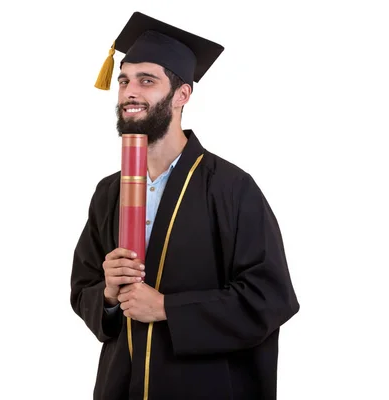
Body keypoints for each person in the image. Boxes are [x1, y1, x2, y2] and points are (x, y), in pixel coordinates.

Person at [69, 11, 300, 400]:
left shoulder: (230, 188)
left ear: (182, 94)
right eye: (124, 80)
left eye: (147, 81)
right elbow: (83, 289)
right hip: (119, 387)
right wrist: (107, 294)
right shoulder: (109, 192)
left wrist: (167, 308)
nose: (130, 92)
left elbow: (270, 298)